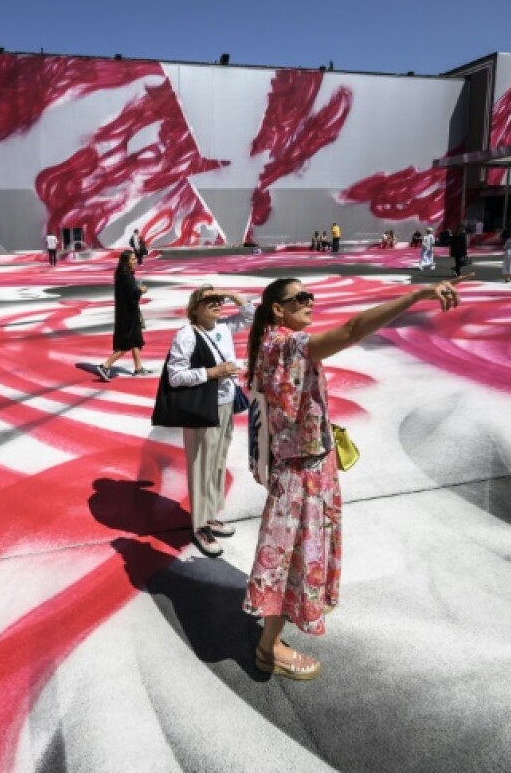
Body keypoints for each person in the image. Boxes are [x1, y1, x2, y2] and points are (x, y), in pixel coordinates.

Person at [244, 275, 462, 680]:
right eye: (300, 298)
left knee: (289, 555)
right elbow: (352, 329)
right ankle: (268, 647)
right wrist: (415, 295)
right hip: (301, 473)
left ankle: (271, 639)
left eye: (310, 296)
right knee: (288, 557)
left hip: (303, 467)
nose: (310, 302)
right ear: (278, 309)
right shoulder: (287, 343)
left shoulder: (268, 343)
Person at [166, 285, 255, 557]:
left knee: (217, 463)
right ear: (195, 308)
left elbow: (250, 314)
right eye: (209, 301)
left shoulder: (225, 327)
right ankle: (199, 524)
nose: (217, 304)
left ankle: (211, 514)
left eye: (219, 301)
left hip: (225, 403)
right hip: (202, 408)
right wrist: (213, 372)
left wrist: (231, 294)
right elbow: (175, 376)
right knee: (201, 465)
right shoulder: (186, 335)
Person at [96, 250, 150, 380]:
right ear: (126, 262)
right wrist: (141, 290)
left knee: (136, 339)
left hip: (126, 313)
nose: (135, 261)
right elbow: (133, 297)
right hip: (128, 315)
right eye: (132, 259)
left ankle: (138, 368)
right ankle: (105, 366)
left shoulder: (121, 275)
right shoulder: (127, 277)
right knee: (126, 343)